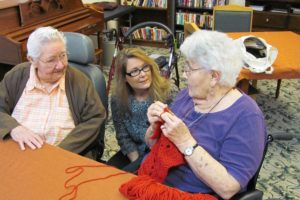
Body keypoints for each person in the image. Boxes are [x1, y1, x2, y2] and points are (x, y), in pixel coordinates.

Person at [146, 30, 267, 199]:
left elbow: (228, 187)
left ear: (214, 76)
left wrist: (185, 142)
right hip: (154, 181)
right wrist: (154, 128)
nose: (185, 74)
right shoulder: (186, 96)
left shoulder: (247, 117)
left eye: (190, 68)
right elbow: (154, 147)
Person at [0, 26, 106, 159]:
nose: (61, 65)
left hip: (62, 157)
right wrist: (14, 128)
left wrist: (61, 152)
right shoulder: (16, 75)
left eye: (63, 55)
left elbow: (95, 118)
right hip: (16, 153)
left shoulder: (80, 81)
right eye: (51, 60)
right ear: (32, 60)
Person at [107, 48, 178, 172]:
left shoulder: (169, 92)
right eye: (134, 71)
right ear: (124, 78)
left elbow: (173, 137)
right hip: (134, 152)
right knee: (107, 173)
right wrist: (136, 163)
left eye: (145, 67)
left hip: (162, 153)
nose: (143, 74)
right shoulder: (118, 99)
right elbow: (123, 136)